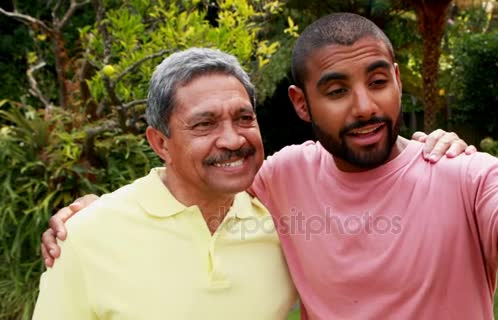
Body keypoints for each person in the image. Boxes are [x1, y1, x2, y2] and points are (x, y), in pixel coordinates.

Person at [45, 13, 498, 320]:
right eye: (337, 89)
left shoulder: (463, 174)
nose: (365, 106)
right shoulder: (280, 178)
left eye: (378, 82)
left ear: (398, 82)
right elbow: (190, 184)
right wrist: (95, 218)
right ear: (301, 105)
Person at [32, 48, 299, 319]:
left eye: (244, 119)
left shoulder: (285, 226)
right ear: (160, 143)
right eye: (205, 124)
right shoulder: (86, 235)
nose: (233, 140)